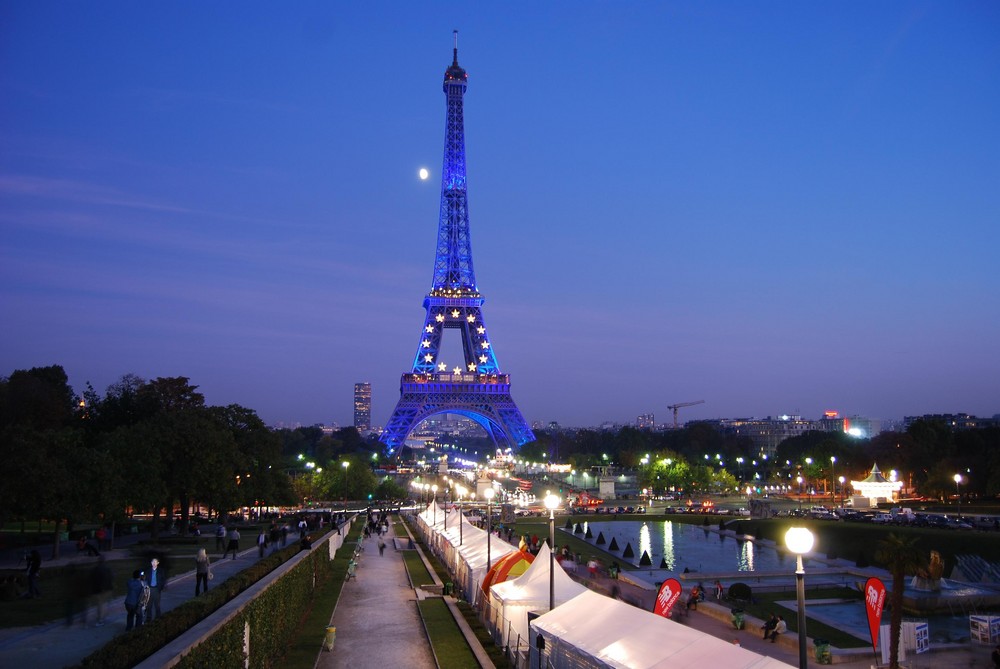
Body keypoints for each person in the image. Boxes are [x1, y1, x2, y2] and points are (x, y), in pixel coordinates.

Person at [90, 555, 114, 626]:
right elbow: (111, 577)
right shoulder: (108, 568)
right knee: (105, 604)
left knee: (100, 605)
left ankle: (100, 619)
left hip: (99, 590)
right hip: (107, 589)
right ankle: (103, 618)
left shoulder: (96, 569)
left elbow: (93, 580)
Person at [145, 557, 166, 623]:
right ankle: (148, 618)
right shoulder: (148, 571)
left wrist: (160, 587)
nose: (154, 563)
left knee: (157, 605)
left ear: (158, 563)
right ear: (151, 563)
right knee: (149, 605)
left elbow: (163, 580)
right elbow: (146, 579)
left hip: (157, 589)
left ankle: (158, 617)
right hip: (150, 589)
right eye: (152, 562)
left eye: (155, 562)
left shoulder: (161, 570)